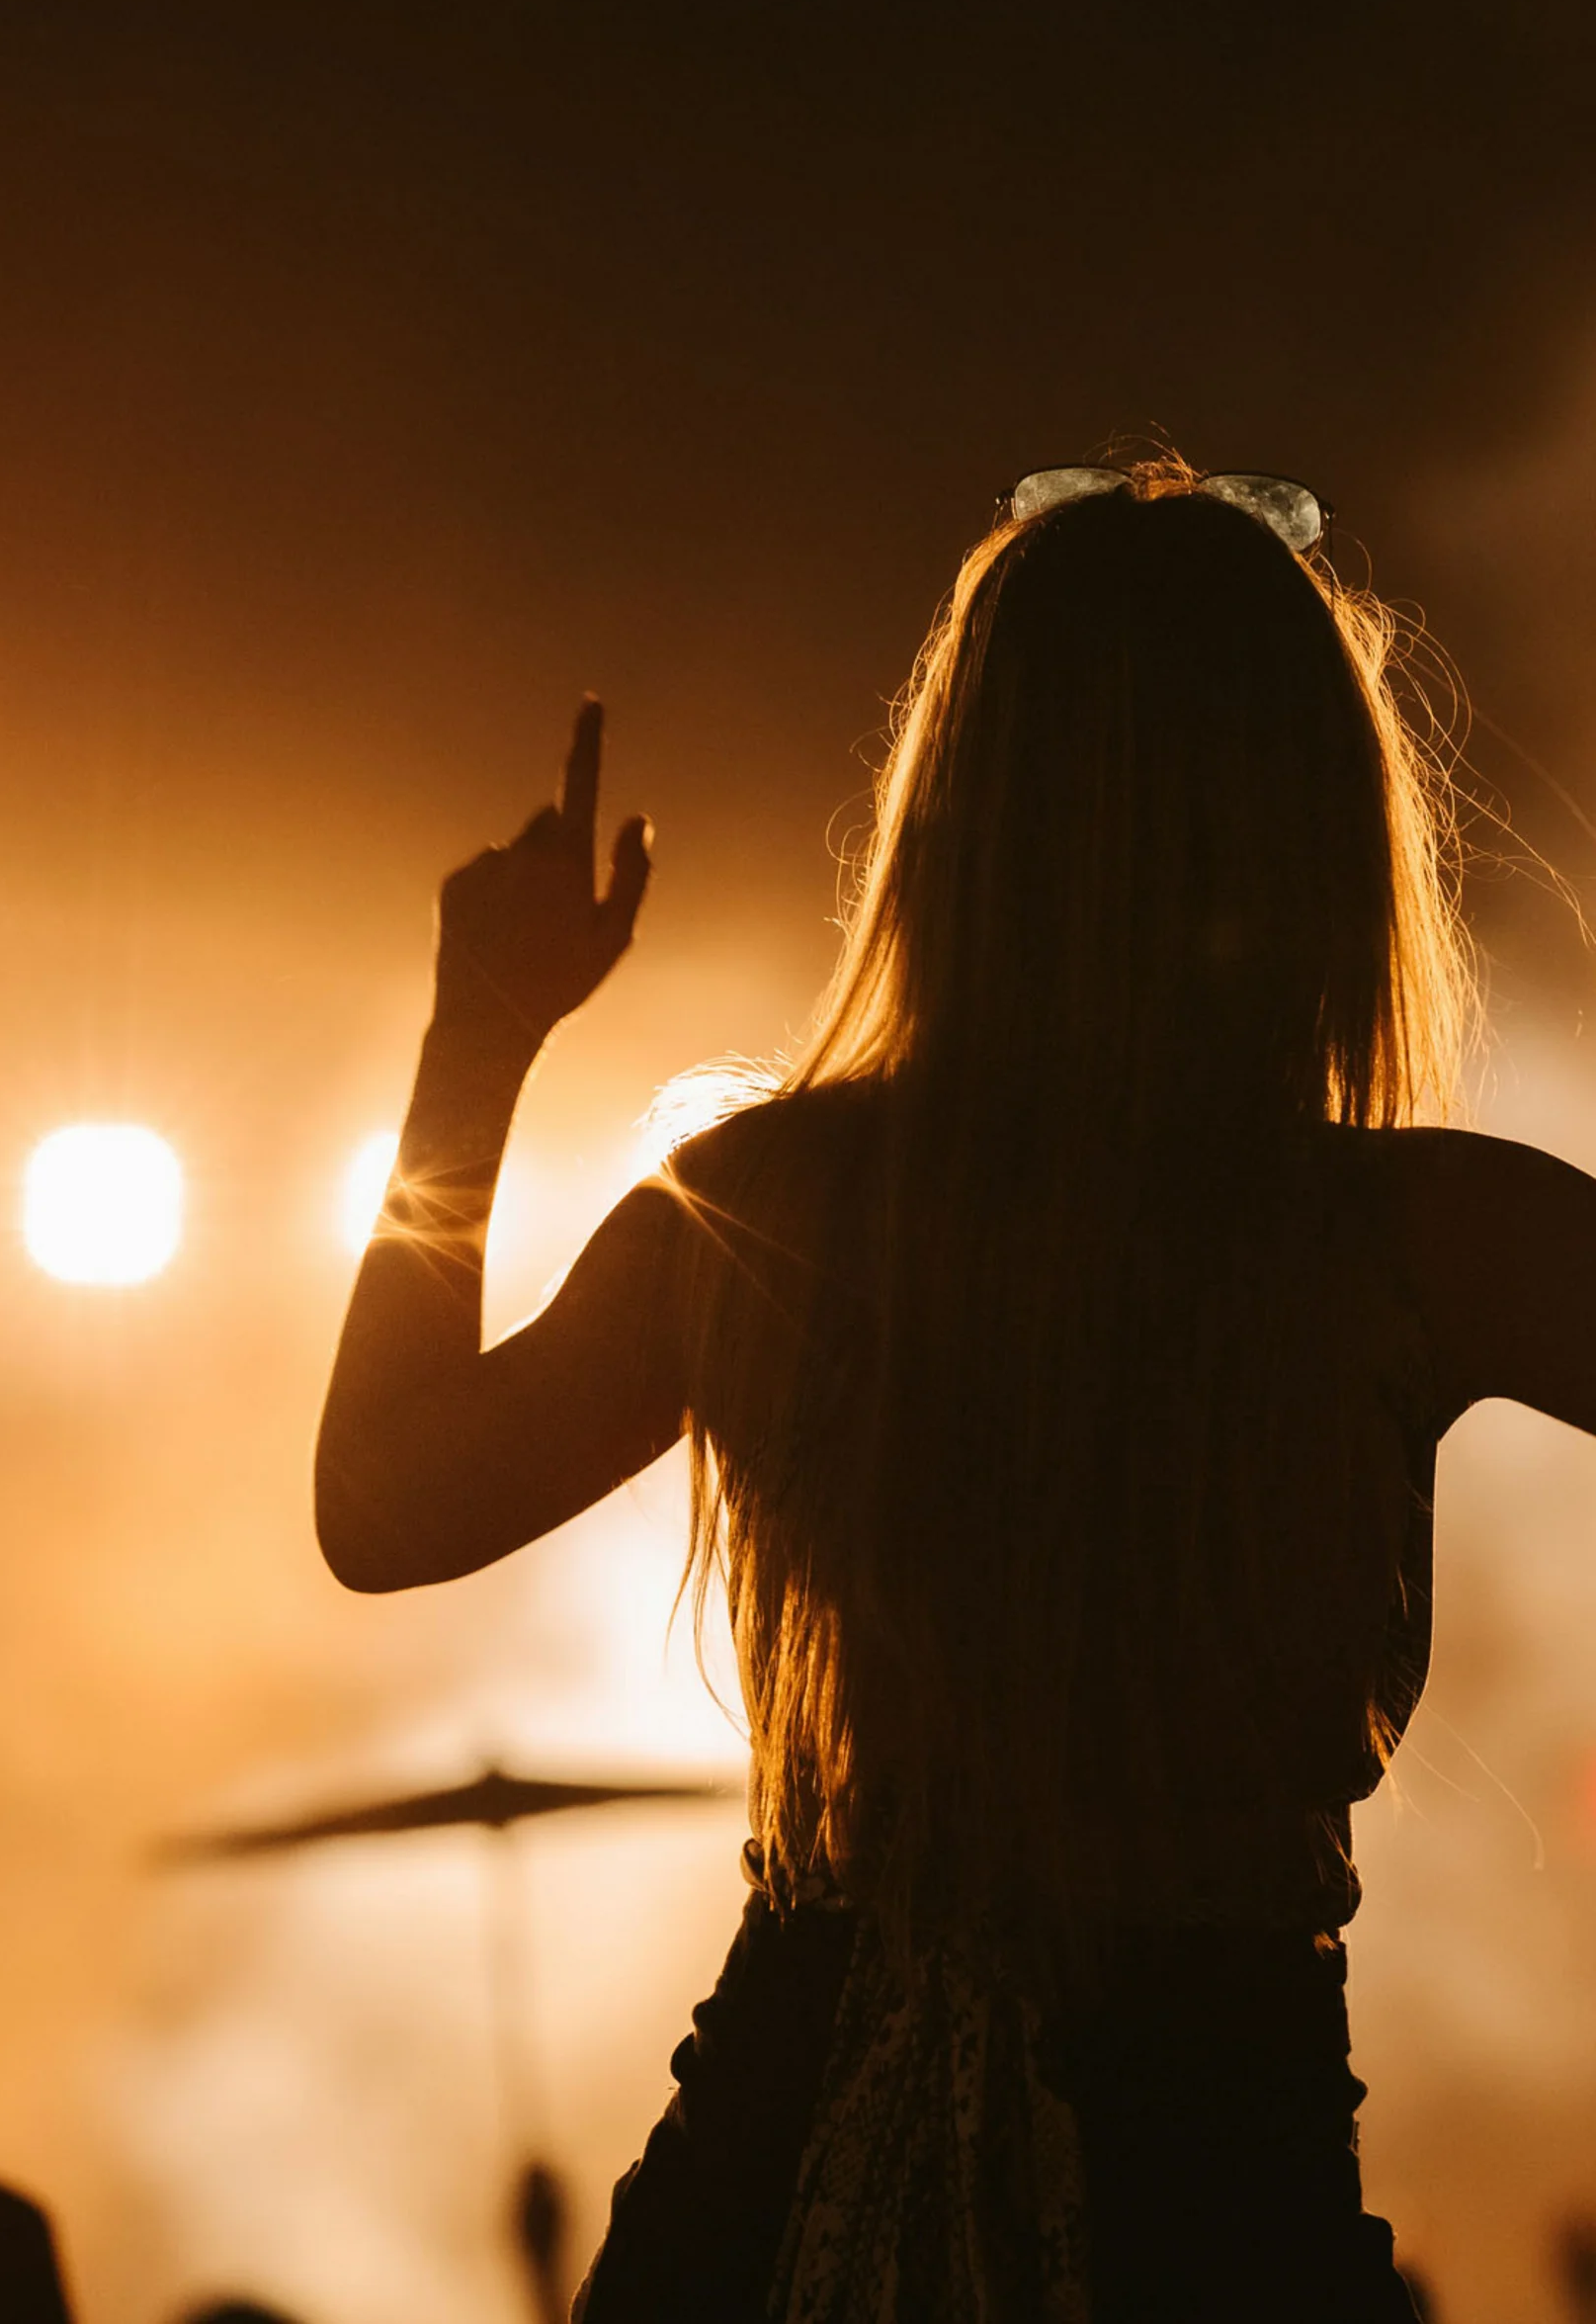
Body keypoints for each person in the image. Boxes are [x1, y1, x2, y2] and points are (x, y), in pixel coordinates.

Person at [313, 456, 1596, 2321]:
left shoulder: (763, 1209)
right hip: (1207, 2189)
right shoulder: (1420, 1234)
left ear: (961, 816)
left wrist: (479, 1038)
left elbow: (386, 1506)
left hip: (772, 2181)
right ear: (1315, 825)